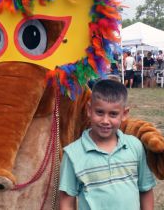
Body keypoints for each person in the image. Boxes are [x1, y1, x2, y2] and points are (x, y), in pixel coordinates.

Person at [59, 79, 156, 210]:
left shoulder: (135, 146)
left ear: (124, 114)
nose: (105, 121)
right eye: (99, 112)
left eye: (113, 114)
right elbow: (67, 201)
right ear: (89, 110)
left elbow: (145, 190)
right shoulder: (72, 154)